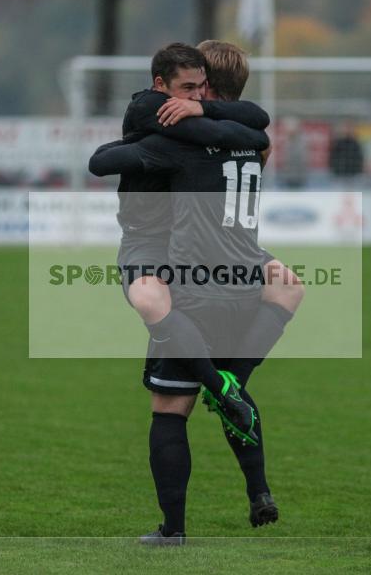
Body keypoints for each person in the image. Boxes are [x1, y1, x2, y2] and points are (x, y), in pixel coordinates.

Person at [90, 42, 301, 543]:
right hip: (241, 269)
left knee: (170, 406)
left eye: (196, 87)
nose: (189, 96)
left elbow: (101, 161)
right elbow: (255, 124)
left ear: (206, 89)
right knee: (288, 287)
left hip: (184, 269)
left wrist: (170, 126)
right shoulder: (254, 143)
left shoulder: (175, 138)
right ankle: (242, 430)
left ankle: (174, 530)